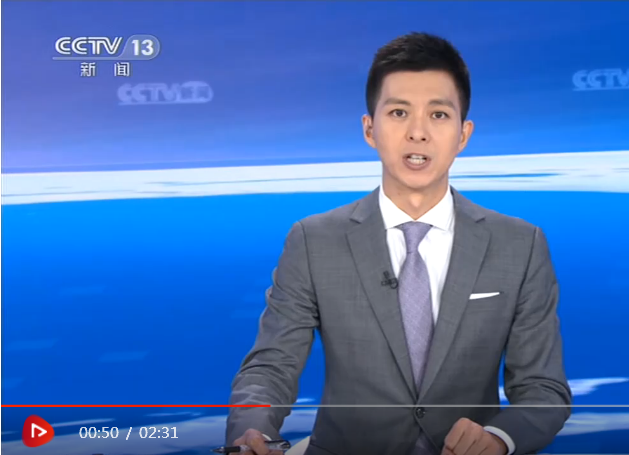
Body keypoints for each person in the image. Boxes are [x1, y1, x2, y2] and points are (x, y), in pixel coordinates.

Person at [226, 32, 572, 455]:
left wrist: (498, 439)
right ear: (370, 129)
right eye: (398, 112)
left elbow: (543, 389)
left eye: (438, 115)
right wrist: (254, 432)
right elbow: (271, 365)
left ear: (463, 134)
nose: (418, 133)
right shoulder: (313, 241)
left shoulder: (520, 245)